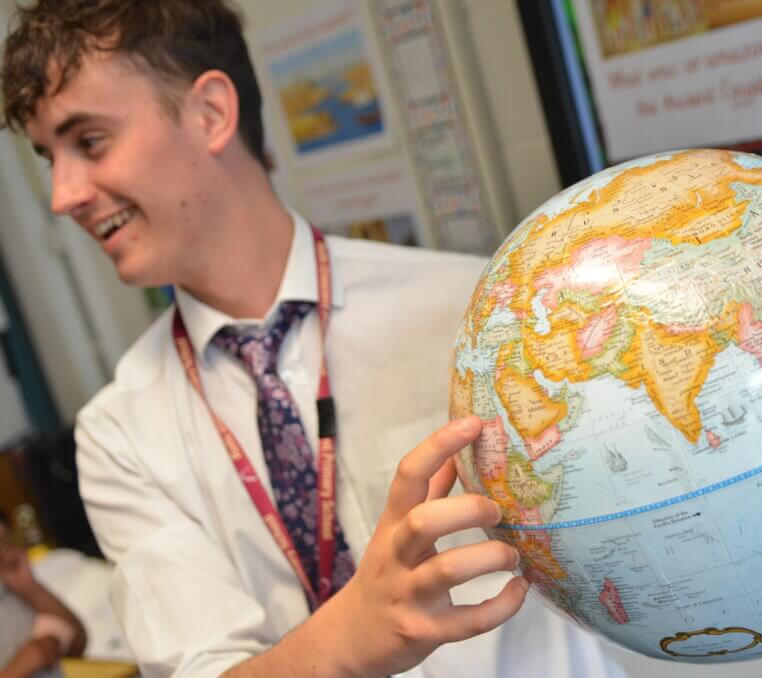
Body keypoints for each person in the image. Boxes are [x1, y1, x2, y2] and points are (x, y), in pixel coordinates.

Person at [1, 2, 626, 677]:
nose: (62, 196)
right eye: (48, 157)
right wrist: (349, 638)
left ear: (211, 114)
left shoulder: (474, 311)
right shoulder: (117, 435)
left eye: (88, 142)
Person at [0, 518, 87, 678]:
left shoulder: (9, 580)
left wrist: (30, 587)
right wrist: (19, 668)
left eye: (5, 540)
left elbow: (78, 644)